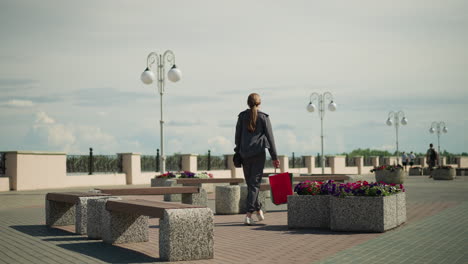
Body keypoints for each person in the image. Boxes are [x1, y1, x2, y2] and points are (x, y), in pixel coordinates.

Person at [234, 93, 280, 225]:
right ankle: (248, 215)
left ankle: (258, 210)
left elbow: (237, 137)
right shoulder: (263, 117)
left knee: (251, 185)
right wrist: (275, 157)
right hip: (258, 154)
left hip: (244, 154)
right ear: (259, 103)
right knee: (254, 185)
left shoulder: (242, 116)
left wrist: (237, 152)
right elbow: (270, 139)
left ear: (247, 103)